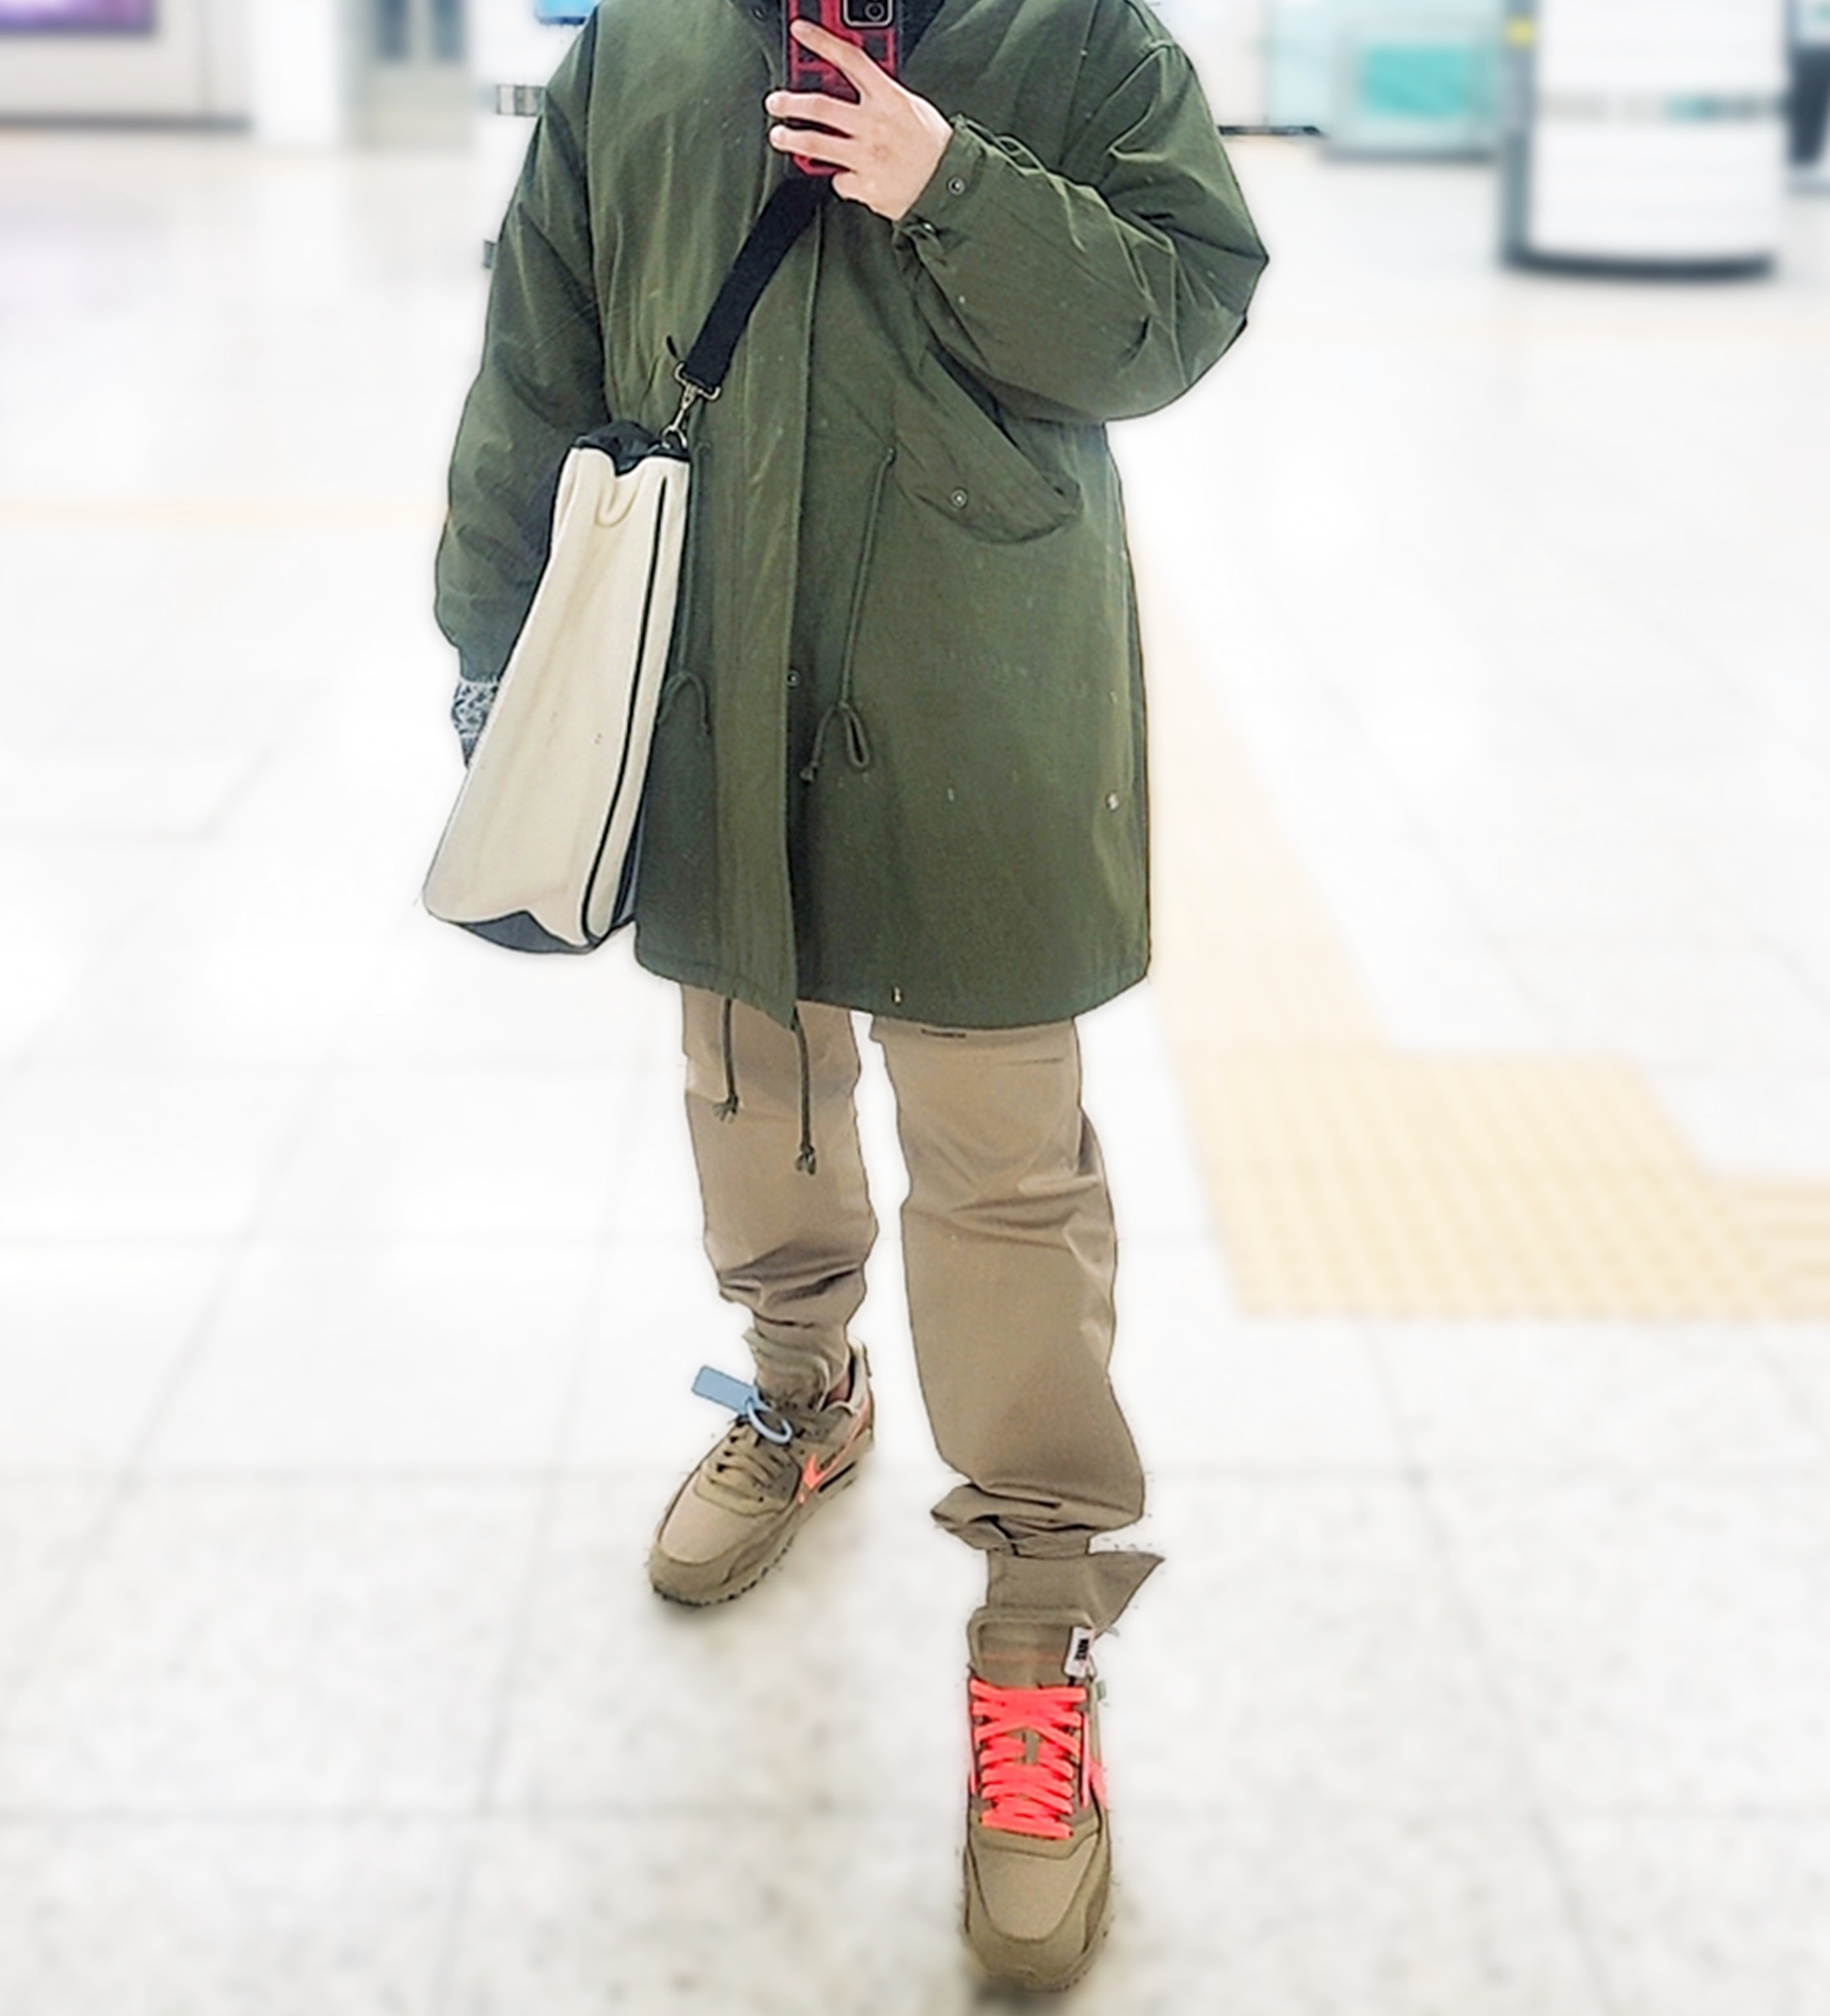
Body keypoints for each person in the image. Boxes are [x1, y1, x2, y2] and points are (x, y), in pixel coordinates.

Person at [436, 0, 1265, 1988]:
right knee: (749, 1074)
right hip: (706, 664)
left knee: (1002, 1155)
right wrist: (490, 633)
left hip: (977, 674)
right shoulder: (643, 48)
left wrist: (952, 183)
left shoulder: (1081, 37)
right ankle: (800, 1390)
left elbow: (1175, 316)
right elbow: (538, 341)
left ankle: (1041, 1598)